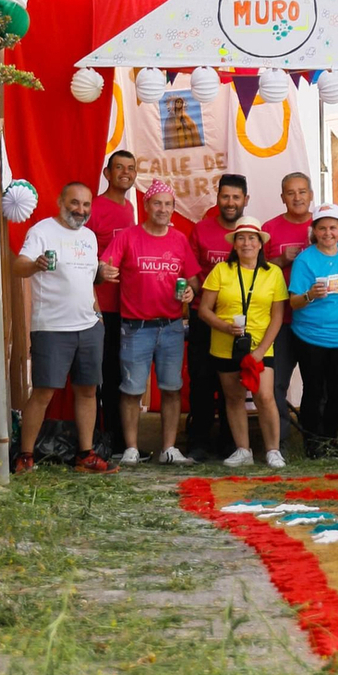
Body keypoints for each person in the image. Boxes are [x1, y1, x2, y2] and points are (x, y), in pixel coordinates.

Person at [97, 177, 201, 465]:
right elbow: (107, 264)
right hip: (135, 328)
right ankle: (131, 448)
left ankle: (168, 448)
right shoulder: (128, 237)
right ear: (146, 205)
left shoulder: (179, 239)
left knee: (172, 388)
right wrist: (104, 271)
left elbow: (193, 280)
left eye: (168, 204)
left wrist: (191, 291)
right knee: (131, 390)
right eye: (158, 203)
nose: (163, 209)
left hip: (170, 327)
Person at [11, 182, 108, 472]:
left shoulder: (89, 237)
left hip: (89, 326)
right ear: (60, 201)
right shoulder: (42, 231)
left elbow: (88, 280)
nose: (80, 210)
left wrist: (98, 315)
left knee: (88, 391)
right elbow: (18, 267)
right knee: (43, 392)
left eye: (86, 205)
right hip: (52, 327)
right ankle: (26, 457)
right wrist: (36, 265)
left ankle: (85, 455)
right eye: (74, 203)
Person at [199, 219, 289, 469]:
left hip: (261, 345)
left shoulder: (273, 273)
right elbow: (204, 311)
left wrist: (260, 352)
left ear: (261, 244)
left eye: (252, 238)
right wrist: (226, 327)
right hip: (225, 345)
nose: (247, 242)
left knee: (265, 397)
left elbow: (278, 316)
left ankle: (273, 450)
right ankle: (243, 450)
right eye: (241, 238)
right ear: (234, 245)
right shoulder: (221, 271)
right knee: (234, 397)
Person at [185, 172, 249, 461]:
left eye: (236, 197)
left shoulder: (249, 232)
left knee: (231, 383)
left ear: (245, 200)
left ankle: (229, 442)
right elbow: (191, 268)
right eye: (225, 196)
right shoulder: (201, 230)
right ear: (218, 198)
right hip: (203, 317)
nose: (230, 202)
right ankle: (198, 441)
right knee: (201, 380)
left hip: (237, 321)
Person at [288, 203, 338, 457]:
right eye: (322, 228)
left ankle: (331, 440)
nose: (328, 233)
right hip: (310, 337)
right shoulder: (305, 260)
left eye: (333, 227)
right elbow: (293, 302)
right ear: (314, 231)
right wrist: (309, 295)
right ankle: (312, 443)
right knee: (314, 390)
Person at [89, 147, 140, 452]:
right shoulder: (95, 207)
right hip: (100, 307)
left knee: (123, 375)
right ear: (107, 174)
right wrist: (97, 271)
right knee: (105, 375)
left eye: (130, 168)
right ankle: (105, 440)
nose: (125, 173)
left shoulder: (129, 209)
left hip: (127, 306)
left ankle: (122, 441)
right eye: (119, 168)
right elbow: (81, 253)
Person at [264, 170, 315, 438]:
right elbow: (254, 269)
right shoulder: (269, 229)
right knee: (276, 385)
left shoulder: (323, 225)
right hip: (280, 321)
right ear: (282, 197)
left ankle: (313, 439)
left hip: (315, 320)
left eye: (302, 192)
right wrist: (282, 260)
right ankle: (279, 441)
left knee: (317, 384)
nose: (297, 197)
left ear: (311, 195)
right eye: (291, 193)